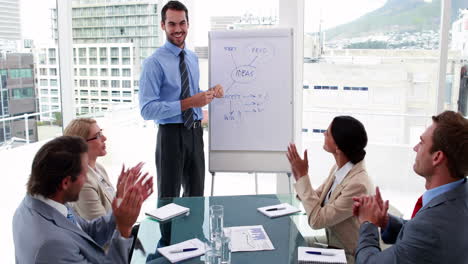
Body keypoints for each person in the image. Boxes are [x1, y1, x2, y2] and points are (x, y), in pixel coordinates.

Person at [13, 136, 153, 263]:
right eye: (84, 173)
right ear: (66, 182)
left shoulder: (40, 203)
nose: (87, 178)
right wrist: (124, 229)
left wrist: (121, 210)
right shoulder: (52, 246)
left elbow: (85, 232)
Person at [353, 110, 468, 263]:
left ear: (437, 157)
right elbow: (421, 237)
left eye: (421, 142)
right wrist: (386, 222)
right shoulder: (459, 198)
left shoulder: (430, 226)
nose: (415, 148)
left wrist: (368, 223)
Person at [139, 0, 223, 198]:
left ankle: (193, 231)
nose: (178, 29)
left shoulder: (192, 58)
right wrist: (191, 102)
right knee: (169, 197)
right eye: (172, 24)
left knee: (195, 195)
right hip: (170, 136)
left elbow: (191, 93)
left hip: (195, 133)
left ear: (188, 23)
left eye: (182, 23)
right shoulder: (154, 63)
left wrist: (210, 93)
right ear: (163, 25)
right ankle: (168, 232)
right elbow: (147, 109)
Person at [287, 116, 372, 263]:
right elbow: (316, 198)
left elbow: (317, 220)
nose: (324, 134)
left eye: (328, 132)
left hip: (349, 256)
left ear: (338, 147)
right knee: (291, 248)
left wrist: (303, 176)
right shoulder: (340, 169)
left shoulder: (358, 185)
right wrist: (300, 177)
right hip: (333, 245)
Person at [63, 118, 152, 220]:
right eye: (97, 136)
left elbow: (113, 210)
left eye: (101, 133)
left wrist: (125, 195)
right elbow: (101, 229)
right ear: (81, 145)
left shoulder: (98, 168)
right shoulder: (82, 184)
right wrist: (129, 202)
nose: (104, 138)